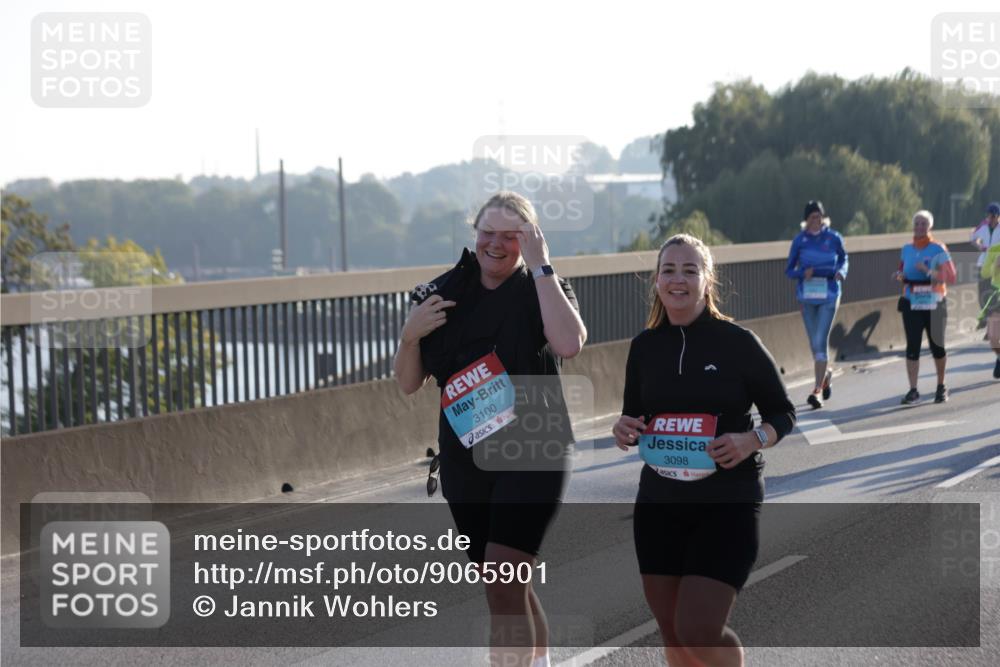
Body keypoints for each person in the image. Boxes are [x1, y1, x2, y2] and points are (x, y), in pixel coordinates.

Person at [393, 191, 586, 667]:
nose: (496, 245)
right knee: (506, 586)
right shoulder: (441, 293)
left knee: (503, 581)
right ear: (473, 233)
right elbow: (408, 383)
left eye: (511, 236)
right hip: (466, 459)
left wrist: (542, 268)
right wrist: (409, 334)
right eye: (487, 233)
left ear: (531, 239)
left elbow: (568, 343)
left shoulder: (545, 286)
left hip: (534, 447)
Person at [613, 234, 796, 667]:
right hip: (659, 506)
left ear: (707, 280)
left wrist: (752, 439)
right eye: (669, 270)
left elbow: (783, 412)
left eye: (690, 270)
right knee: (674, 636)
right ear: (656, 280)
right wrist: (624, 429)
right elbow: (635, 419)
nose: (678, 279)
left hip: (727, 504)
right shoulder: (643, 347)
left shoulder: (737, 342)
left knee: (699, 630)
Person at [785, 200, 849, 409]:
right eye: (812, 217)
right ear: (806, 220)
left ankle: (817, 390)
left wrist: (842, 272)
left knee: (821, 340)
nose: (816, 220)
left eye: (819, 216)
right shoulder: (800, 241)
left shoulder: (833, 237)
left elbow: (843, 258)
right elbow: (789, 271)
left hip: (829, 295)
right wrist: (803, 273)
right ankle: (826, 375)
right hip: (807, 297)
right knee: (815, 344)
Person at [893, 210, 957, 404]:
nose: (920, 227)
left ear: (930, 227)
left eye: (924, 224)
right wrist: (899, 275)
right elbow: (902, 270)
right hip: (912, 302)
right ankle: (913, 390)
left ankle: (941, 386)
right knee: (912, 346)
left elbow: (951, 277)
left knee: (937, 346)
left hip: (934, 302)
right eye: (917, 223)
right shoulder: (906, 249)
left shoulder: (938, 249)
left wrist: (927, 271)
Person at [972, 203, 1000, 330]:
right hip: (982, 263)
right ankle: (985, 318)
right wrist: (978, 244)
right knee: (982, 292)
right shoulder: (983, 226)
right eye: (989, 216)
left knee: (993, 294)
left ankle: (992, 325)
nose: (991, 218)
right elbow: (973, 237)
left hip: (997, 265)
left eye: (994, 216)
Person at [979, 240, 1000, 378]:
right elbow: (984, 273)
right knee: (993, 337)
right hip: (997, 293)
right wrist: (995, 265)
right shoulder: (994, 250)